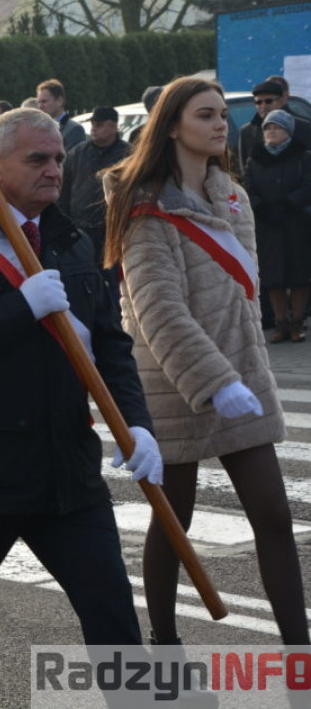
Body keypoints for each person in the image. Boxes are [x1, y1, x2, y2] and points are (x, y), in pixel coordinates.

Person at [0, 108, 162, 709]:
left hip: (66, 469)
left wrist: (137, 425)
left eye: (59, 158)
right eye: (37, 158)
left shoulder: (73, 239)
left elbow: (110, 346)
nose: (54, 169)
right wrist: (19, 307)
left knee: (113, 618)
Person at [103, 77, 308, 648]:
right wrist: (214, 381)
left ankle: (298, 649)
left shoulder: (230, 195)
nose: (221, 124)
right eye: (205, 115)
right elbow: (157, 310)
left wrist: (241, 371)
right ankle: (165, 642)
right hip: (175, 380)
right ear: (172, 126)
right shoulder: (143, 206)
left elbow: (245, 295)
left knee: (274, 515)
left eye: (222, 114)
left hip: (241, 374)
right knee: (175, 522)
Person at [245, 109, 311, 343]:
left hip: (296, 223)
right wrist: (262, 208)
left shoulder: (303, 156)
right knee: (274, 277)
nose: (271, 131)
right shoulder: (255, 159)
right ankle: (280, 323)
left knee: (299, 274)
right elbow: (248, 188)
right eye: (268, 128)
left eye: (277, 127)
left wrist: (289, 204)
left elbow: (308, 184)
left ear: (289, 132)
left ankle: (297, 322)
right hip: (268, 226)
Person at [59, 106, 131, 270]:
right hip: (80, 229)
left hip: (113, 231)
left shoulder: (128, 155)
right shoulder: (78, 153)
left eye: (99, 124)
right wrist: (65, 222)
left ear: (113, 126)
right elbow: (64, 190)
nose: (93, 128)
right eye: (92, 124)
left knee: (111, 276)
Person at [239, 79, 311, 173]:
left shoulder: (303, 127)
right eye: (258, 102)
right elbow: (245, 171)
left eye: (268, 101)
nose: (263, 106)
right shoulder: (247, 132)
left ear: (281, 101)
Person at [36, 78, 86, 151]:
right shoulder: (39, 129)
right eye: (38, 102)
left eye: (44, 102)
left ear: (59, 101)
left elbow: (73, 157)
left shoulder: (74, 129)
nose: (40, 106)